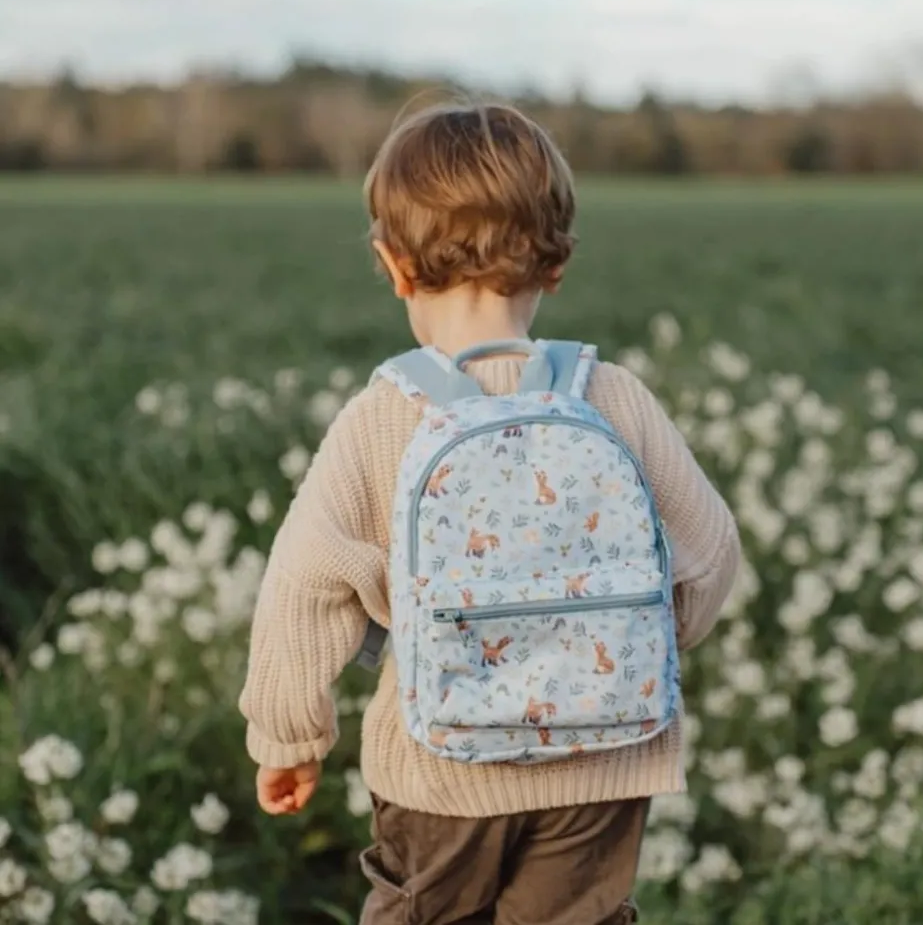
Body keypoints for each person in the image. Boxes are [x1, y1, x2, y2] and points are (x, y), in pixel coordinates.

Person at [238, 100, 741, 925]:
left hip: (441, 769)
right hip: (605, 760)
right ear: (556, 264)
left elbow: (305, 585)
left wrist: (288, 737)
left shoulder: (385, 418)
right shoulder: (614, 397)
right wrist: (627, 643)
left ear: (393, 265)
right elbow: (710, 552)